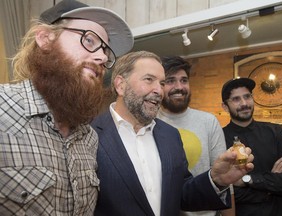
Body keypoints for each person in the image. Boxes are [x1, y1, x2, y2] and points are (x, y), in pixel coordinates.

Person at [0, 0, 133, 215]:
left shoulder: (89, 137)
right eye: (89, 40)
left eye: (106, 53)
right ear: (45, 38)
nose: (101, 58)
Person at [91, 51, 254, 216]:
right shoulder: (89, 135)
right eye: (149, 79)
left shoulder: (170, 135)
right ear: (121, 85)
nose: (159, 91)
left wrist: (216, 180)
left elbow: (180, 194)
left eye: (161, 83)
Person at [157, 56, 234, 216]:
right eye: (171, 80)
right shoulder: (150, 122)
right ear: (160, 85)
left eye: (184, 80)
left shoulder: (208, 121)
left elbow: (224, 175)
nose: (179, 87)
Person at [221, 77, 282, 216]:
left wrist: (247, 180)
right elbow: (227, 192)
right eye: (236, 99)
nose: (244, 103)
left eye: (247, 96)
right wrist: (272, 184)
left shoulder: (276, 132)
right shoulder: (219, 138)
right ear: (225, 107)